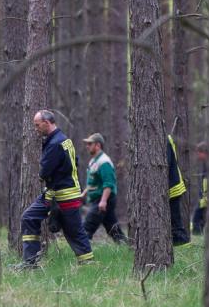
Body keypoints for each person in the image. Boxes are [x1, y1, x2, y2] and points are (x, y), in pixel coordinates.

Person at [18, 110, 94, 267]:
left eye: (37, 125)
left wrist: (42, 176)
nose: (35, 128)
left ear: (47, 123)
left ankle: (88, 264)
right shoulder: (65, 140)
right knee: (30, 217)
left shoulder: (54, 144)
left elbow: (44, 171)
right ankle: (30, 262)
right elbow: (76, 161)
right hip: (60, 193)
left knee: (74, 231)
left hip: (62, 196)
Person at [82, 133, 127, 243]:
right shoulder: (94, 161)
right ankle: (125, 246)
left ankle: (83, 252)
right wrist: (83, 194)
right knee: (112, 228)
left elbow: (109, 184)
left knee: (86, 228)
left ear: (98, 145)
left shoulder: (104, 162)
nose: (87, 146)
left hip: (102, 200)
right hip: (99, 199)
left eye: (90, 144)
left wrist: (103, 201)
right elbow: (94, 182)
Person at [167, 134, 191, 246]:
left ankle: (183, 244)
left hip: (173, 187)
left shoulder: (164, 138)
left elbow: (165, 163)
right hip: (174, 185)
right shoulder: (166, 137)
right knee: (174, 221)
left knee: (176, 223)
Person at [191, 142, 209, 235]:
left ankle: (197, 233)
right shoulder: (205, 163)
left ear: (204, 152)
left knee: (198, 215)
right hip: (203, 195)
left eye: (198, 152)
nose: (197, 155)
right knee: (199, 215)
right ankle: (197, 233)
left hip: (206, 195)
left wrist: (206, 195)